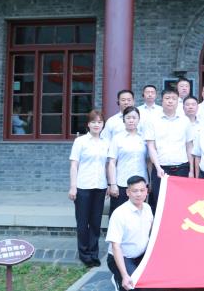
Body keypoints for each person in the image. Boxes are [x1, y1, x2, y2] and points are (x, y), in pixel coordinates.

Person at [68, 109, 109, 268]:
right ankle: (84, 254)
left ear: (103, 124)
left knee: (95, 223)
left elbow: (107, 165)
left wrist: (109, 184)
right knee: (82, 223)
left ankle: (93, 253)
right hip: (83, 187)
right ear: (88, 124)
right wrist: (73, 187)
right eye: (93, 122)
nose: (96, 125)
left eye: (99, 122)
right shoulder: (80, 141)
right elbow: (74, 165)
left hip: (100, 186)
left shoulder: (106, 142)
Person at [145, 90, 194, 214]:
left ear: (178, 102)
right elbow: (151, 147)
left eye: (173, 98)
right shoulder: (153, 120)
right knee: (160, 203)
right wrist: (157, 167)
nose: (170, 101)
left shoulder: (185, 121)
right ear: (161, 101)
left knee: (181, 203)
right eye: (167, 98)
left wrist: (191, 170)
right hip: (161, 169)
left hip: (182, 168)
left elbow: (189, 146)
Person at [106, 175, 153, 291]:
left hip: (141, 255)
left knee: (157, 283)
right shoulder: (119, 214)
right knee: (134, 286)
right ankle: (118, 278)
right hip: (122, 257)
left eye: (142, 190)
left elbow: (151, 232)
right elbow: (115, 246)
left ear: (146, 191)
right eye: (135, 191)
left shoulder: (147, 208)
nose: (139, 194)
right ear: (128, 192)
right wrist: (124, 275)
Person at [107, 106, 148, 217]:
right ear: (123, 120)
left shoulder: (144, 138)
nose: (131, 120)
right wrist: (112, 184)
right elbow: (112, 163)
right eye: (128, 117)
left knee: (138, 214)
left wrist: (150, 182)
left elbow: (148, 161)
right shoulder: (117, 138)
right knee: (118, 215)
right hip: (122, 183)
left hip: (140, 183)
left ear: (139, 120)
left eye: (134, 118)